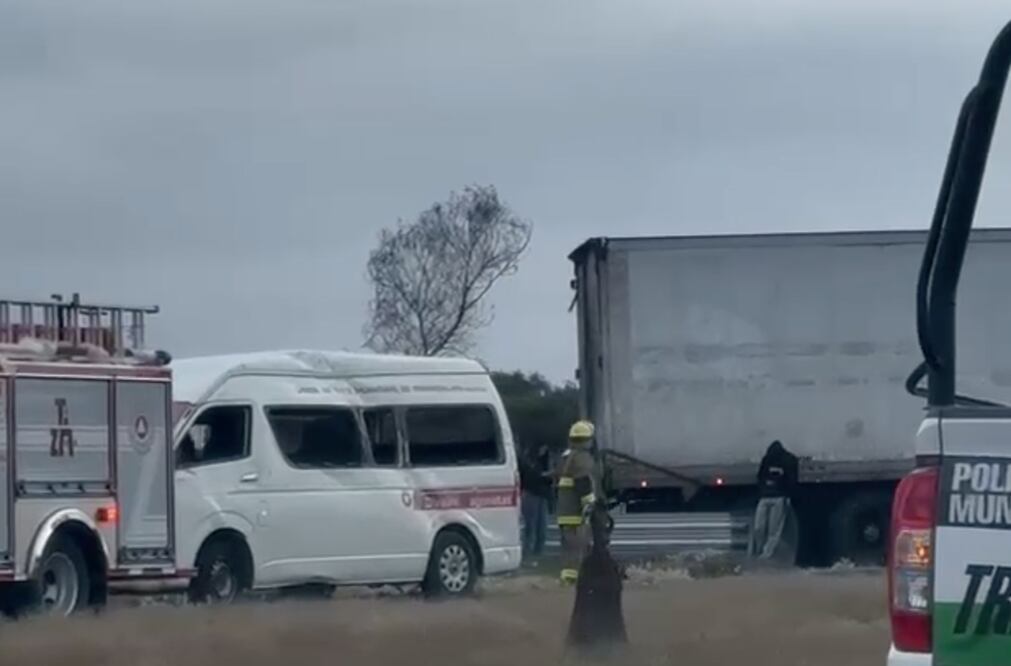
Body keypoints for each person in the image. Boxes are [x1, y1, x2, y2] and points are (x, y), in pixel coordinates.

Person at [555, 420, 600, 585]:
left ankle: (567, 578)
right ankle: (575, 580)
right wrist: (590, 503)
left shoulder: (566, 457)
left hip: (564, 512)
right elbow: (582, 481)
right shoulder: (582, 458)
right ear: (587, 440)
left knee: (569, 548)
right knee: (578, 547)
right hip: (576, 511)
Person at [749, 440, 799, 563]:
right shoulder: (768, 460)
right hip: (766, 497)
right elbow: (760, 476)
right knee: (759, 527)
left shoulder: (787, 460)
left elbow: (792, 480)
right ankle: (760, 550)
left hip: (779, 498)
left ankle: (766, 554)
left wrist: (787, 495)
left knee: (773, 529)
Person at [519, 444, 552, 560]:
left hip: (540, 495)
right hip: (531, 494)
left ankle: (537, 553)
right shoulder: (528, 460)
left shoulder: (543, 461)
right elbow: (530, 476)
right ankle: (528, 553)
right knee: (531, 527)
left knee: (541, 528)